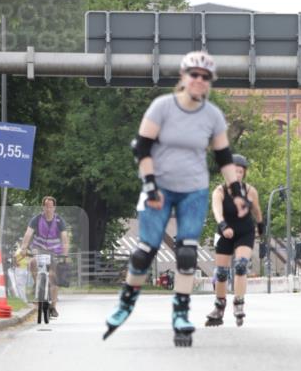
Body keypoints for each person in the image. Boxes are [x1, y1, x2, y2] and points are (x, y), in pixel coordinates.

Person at [103, 50, 248, 345]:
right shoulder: (162, 107)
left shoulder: (212, 116)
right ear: (183, 77)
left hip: (194, 189)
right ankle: (126, 303)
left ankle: (181, 313)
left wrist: (236, 192)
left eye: (205, 77)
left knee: (187, 252)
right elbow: (141, 148)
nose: (199, 80)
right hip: (159, 186)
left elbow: (223, 157)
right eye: (194, 75)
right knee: (145, 251)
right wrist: (150, 185)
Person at [205, 154, 263, 327]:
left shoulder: (250, 191)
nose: (237, 175)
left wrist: (261, 225)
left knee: (240, 265)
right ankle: (219, 307)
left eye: (240, 172)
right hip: (225, 232)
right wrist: (223, 226)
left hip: (245, 232)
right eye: (233, 172)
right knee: (221, 272)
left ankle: (239, 303)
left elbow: (257, 211)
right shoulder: (219, 191)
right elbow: (217, 210)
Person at [19, 197, 69, 317]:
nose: (48, 209)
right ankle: (38, 284)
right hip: (39, 249)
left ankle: (53, 307)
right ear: (43, 207)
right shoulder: (36, 219)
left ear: (54, 208)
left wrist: (65, 254)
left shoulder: (59, 221)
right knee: (32, 262)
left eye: (51, 207)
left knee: (53, 277)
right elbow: (28, 234)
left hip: (54, 251)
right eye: (46, 206)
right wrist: (23, 248)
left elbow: (64, 238)